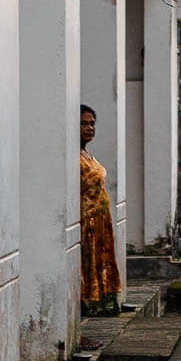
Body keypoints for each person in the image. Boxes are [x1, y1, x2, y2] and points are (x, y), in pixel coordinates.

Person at [79, 104, 121, 324]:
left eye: (92, 123)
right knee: (86, 270)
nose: (89, 128)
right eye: (84, 123)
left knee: (99, 266)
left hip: (100, 224)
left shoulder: (87, 154)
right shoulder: (74, 156)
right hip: (87, 223)